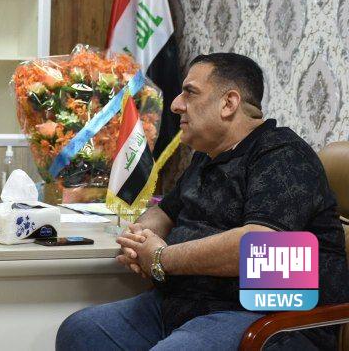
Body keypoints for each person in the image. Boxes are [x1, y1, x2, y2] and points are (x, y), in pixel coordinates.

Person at [56, 53, 349, 350]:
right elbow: (164, 211)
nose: (175, 104)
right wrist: (140, 237)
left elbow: (258, 248)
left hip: (261, 317)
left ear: (228, 103)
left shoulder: (282, 154)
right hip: (183, 305)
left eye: (190, 92)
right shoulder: (207, 156)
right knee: (80, 331)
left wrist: (160, 258)